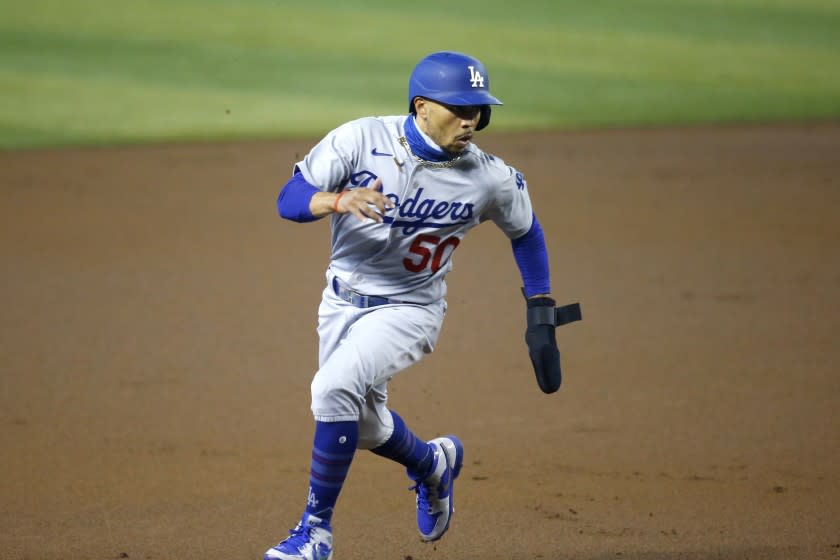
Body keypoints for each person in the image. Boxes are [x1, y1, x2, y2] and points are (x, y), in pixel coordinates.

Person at [264, 50, 579, 560]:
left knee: (332, 388)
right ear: (422, 107)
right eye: (459, 107)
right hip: (339, 302)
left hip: (411, 309)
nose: (471, 119)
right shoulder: (360, 139)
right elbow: (289, 196)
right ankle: (433, 463)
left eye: (478, 108)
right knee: (361, 426)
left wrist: (540, 308)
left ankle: (314, 533)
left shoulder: (490, 177)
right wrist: (336, 200)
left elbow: (527, 232)